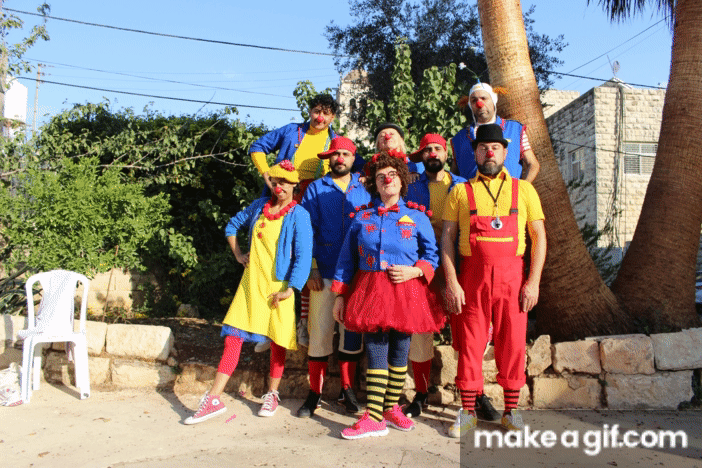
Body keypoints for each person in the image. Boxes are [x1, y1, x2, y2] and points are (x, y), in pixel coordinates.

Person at [184, 160, 313, 425]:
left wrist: (292, 289)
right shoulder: (259, 206)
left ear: (294, 185)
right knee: (233, 338)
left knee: (277, 341)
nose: (278, 187)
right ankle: (214, 398)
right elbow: (232, 226)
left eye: (284, 182)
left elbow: (303, 256)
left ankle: (272, 394)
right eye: (275, 182)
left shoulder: (299, 215)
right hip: (250, 284)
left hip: (278, 288)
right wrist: (238, 254)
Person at [442, 124, 546, 438]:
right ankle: (468, 412)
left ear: (505, 153)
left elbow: (539, 237)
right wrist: (452, 281)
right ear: (475, 153)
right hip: (472, 279)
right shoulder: (460, 192)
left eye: (495, 148)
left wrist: (533, 282)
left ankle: (511, 412)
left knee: (512, 343)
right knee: (470, 344)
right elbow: (446, 239)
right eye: (483, 148)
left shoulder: (524, 190)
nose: (489, 152)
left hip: (513, 280)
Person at [331, 151, 445, 440]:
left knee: (400, 351)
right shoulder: (361, 218)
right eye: (380, 177)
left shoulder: (417, 217)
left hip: (407, 291)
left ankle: (391, 408)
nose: (387, 180)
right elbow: (346, 260)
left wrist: (416, 271)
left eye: (392, 175)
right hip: (371, 291)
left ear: (402, 180)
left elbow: (432, 255)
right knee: (376, 350)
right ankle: (373, 416)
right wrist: (340, 296)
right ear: (374, 184)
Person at [249, 94, 363, 350]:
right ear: (309, 111)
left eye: (326, 113)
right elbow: (256, 147)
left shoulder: (336, 141)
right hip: (284, 199)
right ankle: (269, 326)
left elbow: (357, 164)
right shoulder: (292, 131)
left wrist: (363, 177)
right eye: (316, 111)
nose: (320, 117)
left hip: (313, 200)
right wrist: (268, 175)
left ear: (333, 117)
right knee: (276, 258)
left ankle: (301, 322)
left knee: (305, 258)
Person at [404, 133, 498, 419]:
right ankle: (421, 393)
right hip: (423, 268)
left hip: (461, 266)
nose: (433, 153)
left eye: (437, 148)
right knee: (420, 332)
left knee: (469, 332)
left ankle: (475, 394)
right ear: (421, 156)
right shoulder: (410, 189)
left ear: (446, 154)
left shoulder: (464, 186)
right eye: (427, 150)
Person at [296, 137, 371, 418]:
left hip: (355, 275)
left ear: (353, 158)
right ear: (329, 159)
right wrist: (312, 267)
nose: (339, 158)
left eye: (345, 154)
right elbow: (305, 230)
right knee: (320, 333)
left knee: (351, 334)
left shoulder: (364, 189)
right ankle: (314, 393)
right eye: (335, 154)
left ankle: (346, 390)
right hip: (324, 270)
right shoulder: (316, 188)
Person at [451, 82, 540, 182]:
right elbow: (453, 174)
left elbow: (533, 164)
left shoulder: (515, 129)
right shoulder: (459, 138)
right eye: (474, 100)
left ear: (493, 100)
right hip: (473, 191)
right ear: (470, 105)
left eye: (484, 98)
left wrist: (521, 188)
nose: (479, 104)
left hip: (508, 191)